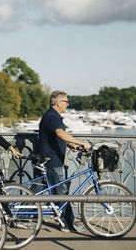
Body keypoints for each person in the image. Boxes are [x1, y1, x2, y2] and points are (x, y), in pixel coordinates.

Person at [38, 90, 91, 232]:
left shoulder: (53, 116)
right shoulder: (52, 116)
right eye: (66, 101)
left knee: (40, 190)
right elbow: (60, 133)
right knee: (62, 192)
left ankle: (14, 215)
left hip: (49, 158)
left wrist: (70, 144)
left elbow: (56, 137)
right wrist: (81, 143)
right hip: (51, 159)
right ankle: (69, 224)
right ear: (58, 102)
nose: (68, 104)